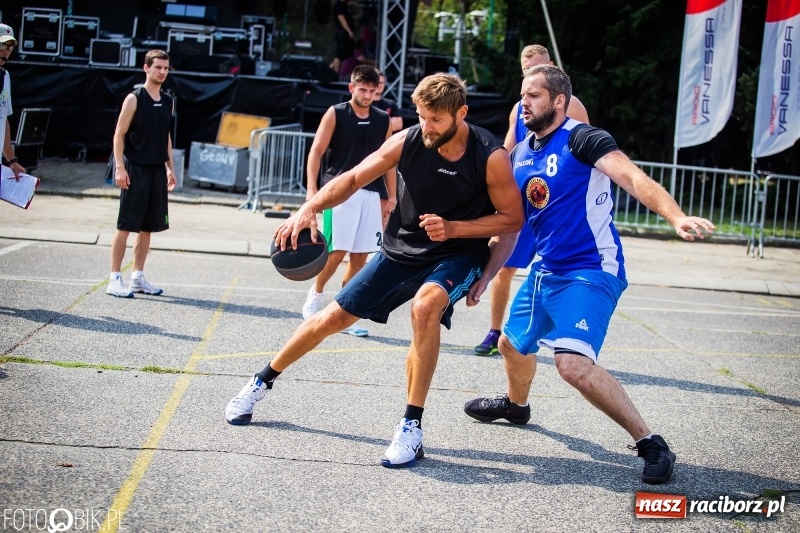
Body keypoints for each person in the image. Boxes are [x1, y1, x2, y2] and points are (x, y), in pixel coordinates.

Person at [225, 73, 524, 469]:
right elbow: (351, 178)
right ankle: (261, 381)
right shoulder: (408, 140)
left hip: (457, 253)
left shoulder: (490, 156)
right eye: (421, 117)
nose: (427, 127)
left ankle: (411, 427)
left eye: (435, 120)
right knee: (331, 317)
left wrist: (460, 235)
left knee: (424, 308)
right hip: (401, 248)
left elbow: (512, 218)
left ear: (461, 113)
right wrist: (309, 207)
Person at [464, 64, 715, 484]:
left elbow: (633, 177)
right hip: (547, 268)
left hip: (591, 269)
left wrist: (675, 215)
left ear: (558, 101)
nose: (523, 103)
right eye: (522, 95)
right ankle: (516, 405)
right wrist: (487, 275)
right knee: (511, 345)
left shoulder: (583, 138)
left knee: (572, 365)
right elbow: (512, 225)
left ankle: (651, 442)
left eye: (534, 96)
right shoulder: (521, 153)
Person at [474, 43, 590, 356]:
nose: (532, 76)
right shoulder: (519, 108)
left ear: (552, 67)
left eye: (538, 69)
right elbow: (510, 148)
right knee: (505, 263)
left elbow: (584, 155)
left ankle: (555, 327)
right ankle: (494, 329)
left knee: (559, 264)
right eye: (526, 72)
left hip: (559, 201)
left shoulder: (573, 106)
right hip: (529, 195)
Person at [301, 65, 396, 337]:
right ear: (352, 87)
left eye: (372, 89)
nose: (367, 94)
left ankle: (344, 311)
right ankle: (315, 296)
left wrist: (391, 196)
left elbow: (389, 161)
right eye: (362, 89)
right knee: (336, 251)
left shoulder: (382, 119)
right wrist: (312, 189)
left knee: (360, 258)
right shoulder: (336, 113)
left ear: (378, 90)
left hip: (371, 192)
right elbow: (316, 151)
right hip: (339, 189)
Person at [106, 50, 176, 298]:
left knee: (147, 227)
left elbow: (166, 136)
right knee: (125, 224)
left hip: (157, 169)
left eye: (166, 68)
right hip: (135, 168)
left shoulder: (168, 101)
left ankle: (137, 277)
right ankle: (114, 278)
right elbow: (119, 134)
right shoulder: (134, 99)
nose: (163, 72)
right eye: (158, 67)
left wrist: (170, 167)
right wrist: (120, 167)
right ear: (146, 68)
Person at [0, 24, 25, 180]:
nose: (6, 50)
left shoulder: (5, 76)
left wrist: (12, 160)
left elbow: (3, 121)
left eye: (9, 47)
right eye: (2, 45)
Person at [330, 0, 356, 75]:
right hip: (342, 33)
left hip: (347, 34)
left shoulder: (346, 5)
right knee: (339, 54)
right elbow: (342, 19)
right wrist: (348, 31)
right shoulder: (339, 5)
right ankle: (335, 72)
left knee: (345, 53)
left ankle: (330, 69)